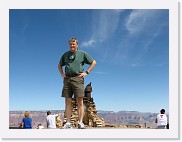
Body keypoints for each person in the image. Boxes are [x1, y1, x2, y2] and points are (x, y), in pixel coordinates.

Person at [58, 38, 96, 129]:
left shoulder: (82, 54)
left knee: (80, 101)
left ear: (77, 45)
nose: (72, 46)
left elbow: (93, 62)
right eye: (70, 44)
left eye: (73, 44)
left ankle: (80, 122)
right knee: (68, 101)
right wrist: (62, 74)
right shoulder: (65, 55)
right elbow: (59, 65)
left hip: (78, 78)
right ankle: (68, 123)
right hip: (67, 78)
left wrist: (86, 72)